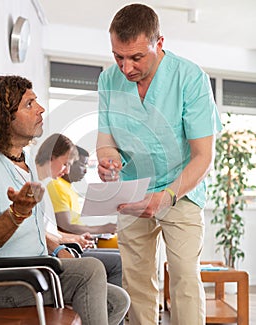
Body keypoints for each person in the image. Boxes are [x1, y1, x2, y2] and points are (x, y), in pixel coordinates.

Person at [0, 75, 130, 325]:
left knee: (118, 300)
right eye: (29, 104)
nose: (40, 109)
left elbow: (33, 233)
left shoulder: (24, 164)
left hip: (35, 271)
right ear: (4, 116)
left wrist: (58, 249)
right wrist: (17, 213)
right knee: (90, 269)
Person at [96, 4, 222, 325]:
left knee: (183, 275)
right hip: (132, 192)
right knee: (136, 280)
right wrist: (107, 159)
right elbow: (106, 139)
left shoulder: (189, 78)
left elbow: (203, 156)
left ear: (159, 43)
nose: (126, 68)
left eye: (136, 57)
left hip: (180, 190)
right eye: (118, 57)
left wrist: (166, 196)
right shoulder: (108, 80)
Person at [35, 134, 122, 287]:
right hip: (53, 253)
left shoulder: (44, 186)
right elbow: (41, 234)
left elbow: (49, 231)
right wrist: (71, 240)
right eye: (65, 164)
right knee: (118, 262)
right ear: (51, 157)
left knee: (119, 257)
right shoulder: (43, 187)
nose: (67, 170)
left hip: (60, 246)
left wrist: (75, 238)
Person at [50, 144, 118, 245]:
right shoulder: (56, 185)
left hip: (84, 237)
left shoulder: (68, 188)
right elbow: (65, 226)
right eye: (83, 165)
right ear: (70, 163)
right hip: (73, 242)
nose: (85, 170)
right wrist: (102, 228)